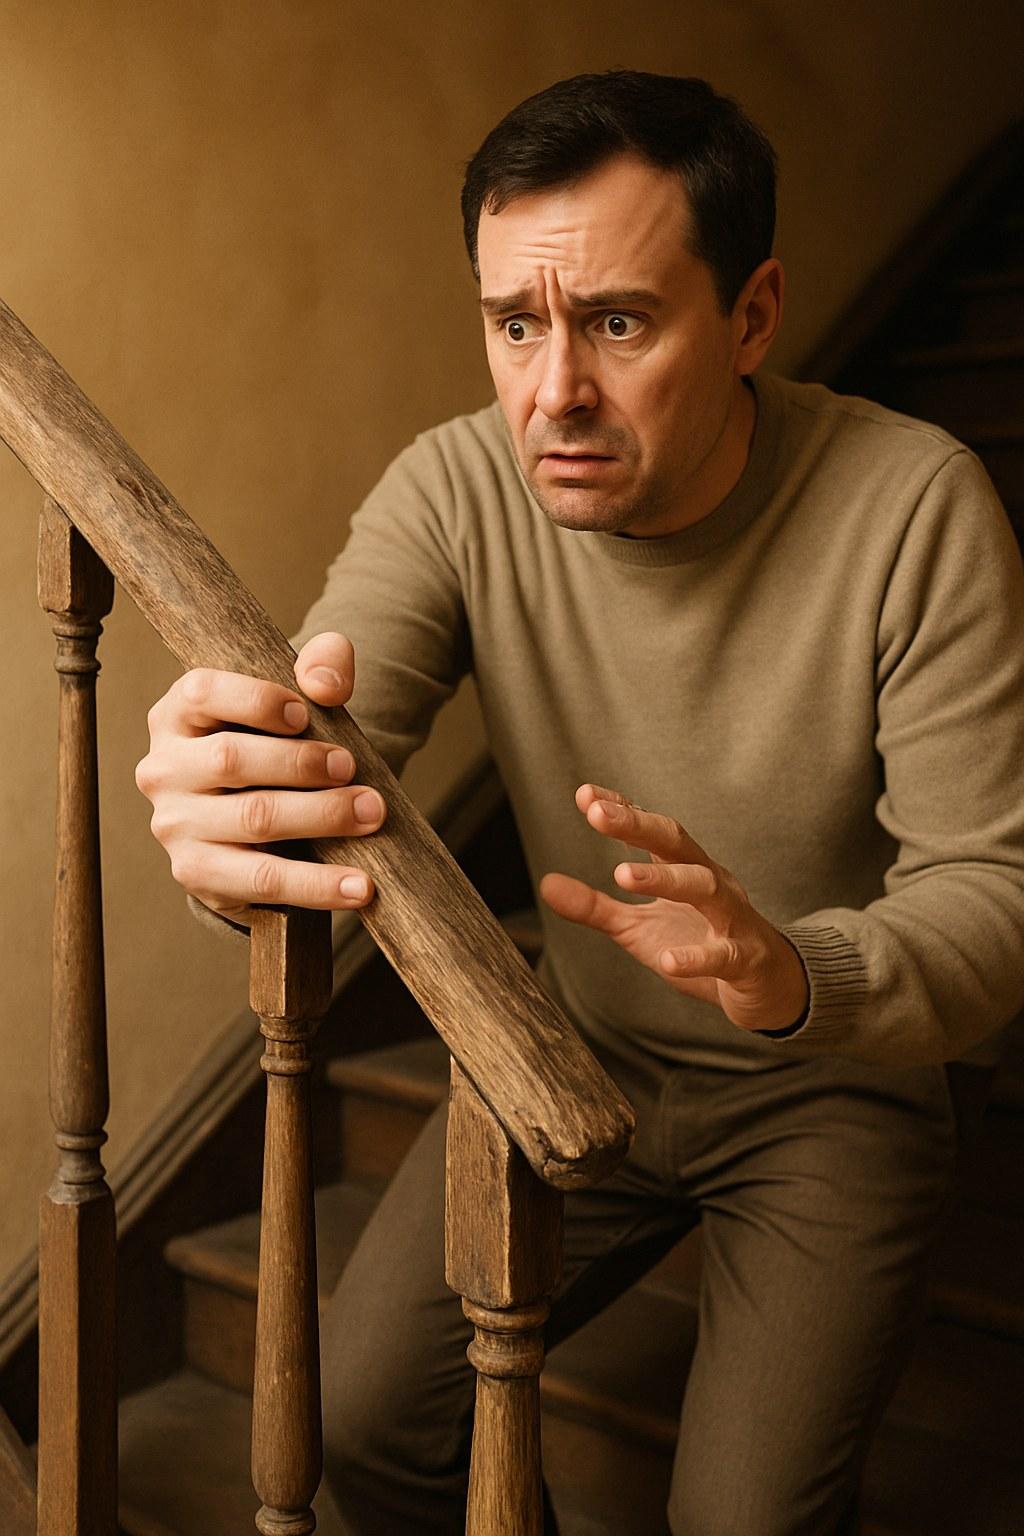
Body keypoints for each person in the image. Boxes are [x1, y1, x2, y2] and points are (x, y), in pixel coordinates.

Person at [135, 72, 1024, 1536]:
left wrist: (792, 967)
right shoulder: (455, 487)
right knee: (366, 1427)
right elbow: (326, 722)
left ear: (751, 315)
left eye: (617, 321)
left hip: (837, 1088)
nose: (552, 392)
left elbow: (990, 893)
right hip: (579, 1051)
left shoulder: (915, 505)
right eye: (514, 325)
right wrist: (236, 821)